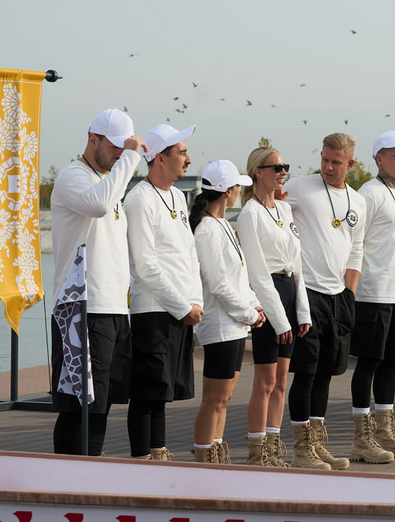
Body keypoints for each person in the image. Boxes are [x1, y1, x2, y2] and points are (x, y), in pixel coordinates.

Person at [49, 108, 145, 456]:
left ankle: (92, 475)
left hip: (114, 309)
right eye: (116, 146)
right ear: (93, 139)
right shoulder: (72, 177)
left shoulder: (111, 184)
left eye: (126, 147)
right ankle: (69, 480)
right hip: (80, 308)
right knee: (78, 406)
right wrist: (132, 156)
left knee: (100, 404)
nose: (121, 154)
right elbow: (100, 205)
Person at [284, 132, 367, 470]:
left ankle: (317, 445)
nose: (329, 167)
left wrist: (350, 292)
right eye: (324, 159)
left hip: (339, 297)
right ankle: (301, 449)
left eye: (336, 162)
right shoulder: (301, 186)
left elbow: (356, 249)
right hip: (307, 294)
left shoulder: (359, 201)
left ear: (351, 163)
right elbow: (266, 207)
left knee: (326, 375)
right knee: (304, 373)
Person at [124, 123, 204, 460]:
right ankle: (143, 461)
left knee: (163, 394)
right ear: (159, 158)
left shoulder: (178, 197)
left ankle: (159, 453)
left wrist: (195, 301)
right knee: (146, 394)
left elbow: (188, 254)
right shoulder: (139, 199)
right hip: (153, 310)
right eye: (181, 152)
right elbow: (146, 265)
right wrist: (180, 306)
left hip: (179, 308)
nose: (188, 159)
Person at [236, 147, 313, 468]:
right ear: (258, 172)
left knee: (282, 380)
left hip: (289, 292)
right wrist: (279, 320)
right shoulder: (249, 214)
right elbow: (255, 271)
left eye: (285, 166)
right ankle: (257, 452)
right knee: (265, 381)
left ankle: (274, 444)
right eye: (276, 167)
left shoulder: (284, 210)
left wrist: (303, 311)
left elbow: (297, 263)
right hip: (268, 298)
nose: (283, 172)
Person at [350, 131, 395, 462]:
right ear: (379, 158)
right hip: (372, 293)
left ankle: (385, 432)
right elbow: (354, 242)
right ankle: (362, 438)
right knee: (369, 362)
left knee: (392, 362)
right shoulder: (369, 193)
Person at [190, 160, 266, 463]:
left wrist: (253, 306)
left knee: (225, 398)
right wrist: (249, 313)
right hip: (221, 326)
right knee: (215, 399)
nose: (238, 192)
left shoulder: (223, 224)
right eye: (237, 187)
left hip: (235, 325)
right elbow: (218, 283)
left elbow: (238, 276)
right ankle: (204, 459)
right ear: (228, 192)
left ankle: (216, 452)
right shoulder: (207, 229)